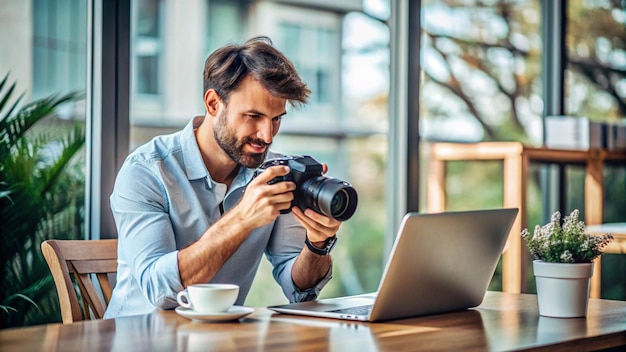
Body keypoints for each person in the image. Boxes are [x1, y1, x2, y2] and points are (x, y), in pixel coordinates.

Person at [104, 36, 341, 319]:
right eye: (253, 116)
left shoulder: (273, 174)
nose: (267, 135)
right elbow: (160, 292)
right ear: (214, 103)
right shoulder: (146, 170)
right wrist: (242, 218)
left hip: (222, 340)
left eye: (276, 119)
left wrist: (317, 244)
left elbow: (298, 289)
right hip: (138, 339)